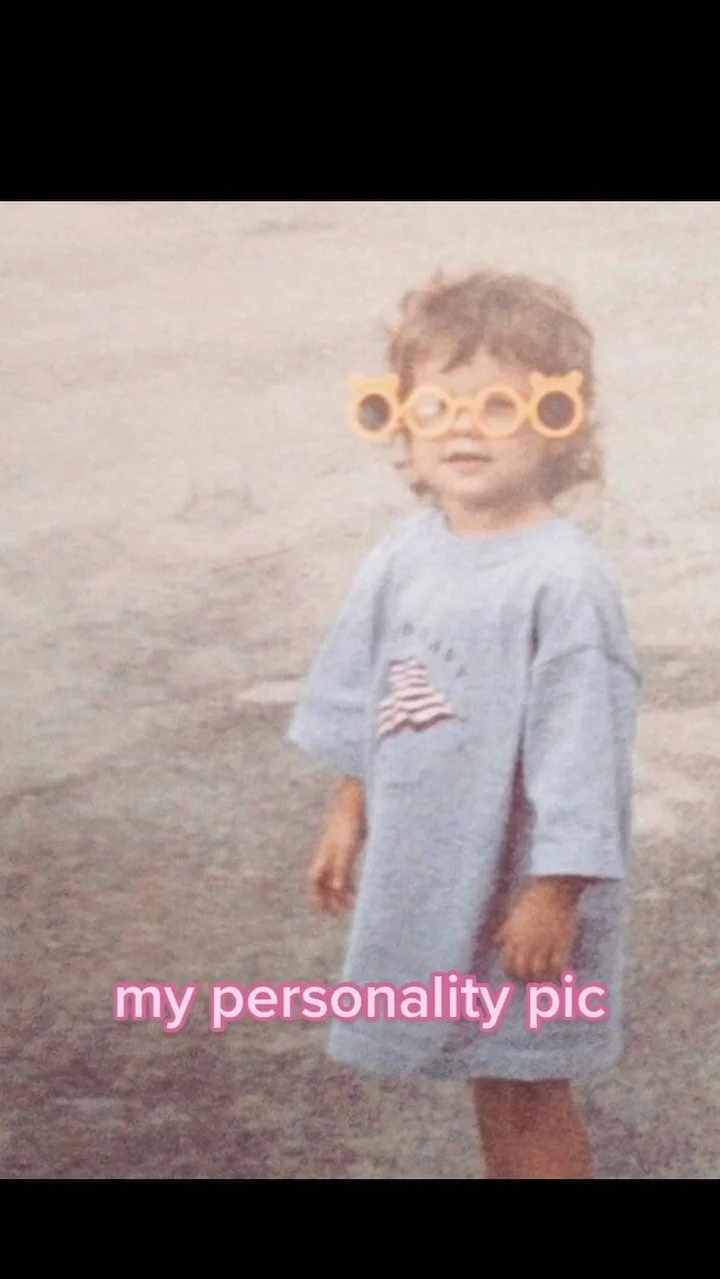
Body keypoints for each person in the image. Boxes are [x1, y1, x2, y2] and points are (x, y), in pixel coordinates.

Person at [287, 270, 640, 1179]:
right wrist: (349, 806)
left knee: (527, 1081)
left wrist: (554, 890)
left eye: (496, 405)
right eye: (436, 405)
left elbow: (583, 751)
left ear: (558, 420)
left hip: (525, 886)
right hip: (444, 868)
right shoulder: (405, 552)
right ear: (399, 416)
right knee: (488, 1068)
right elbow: (374, 683)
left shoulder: (562, 581)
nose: (461, 427)